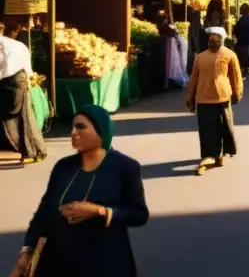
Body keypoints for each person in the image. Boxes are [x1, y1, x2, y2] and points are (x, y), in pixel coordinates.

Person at [12, 105, 148, 276]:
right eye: (73, 127)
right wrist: (27, 251)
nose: (74, 133)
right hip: (59, 263)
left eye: (81, 127)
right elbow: (44, 212)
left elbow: (139, 214)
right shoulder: (63, 167)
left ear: (101, 131)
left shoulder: (125, 167)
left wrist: (99, 211)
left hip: (105, 263)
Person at [186, 27, 243, 175]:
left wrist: (237, 93)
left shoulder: (229, 55)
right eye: (211, 41)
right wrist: (190, 98)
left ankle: (222, 154)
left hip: (222, 97)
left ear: (222, 41)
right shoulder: (200, 57)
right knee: (207, 130)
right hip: (203, 98)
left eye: (216, 41)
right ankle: (209, 156)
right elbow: (193, 79)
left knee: (224, 126)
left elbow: (236, 76)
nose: (213, 43)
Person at [0, 24, 46, 164]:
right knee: (26, 115)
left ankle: (27, 149)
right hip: (22, 80)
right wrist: (29, 80)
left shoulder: (2, 45)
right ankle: (36, 150)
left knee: (9, 117)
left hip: (9, 82)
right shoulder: (18, 44)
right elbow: (27, 66)